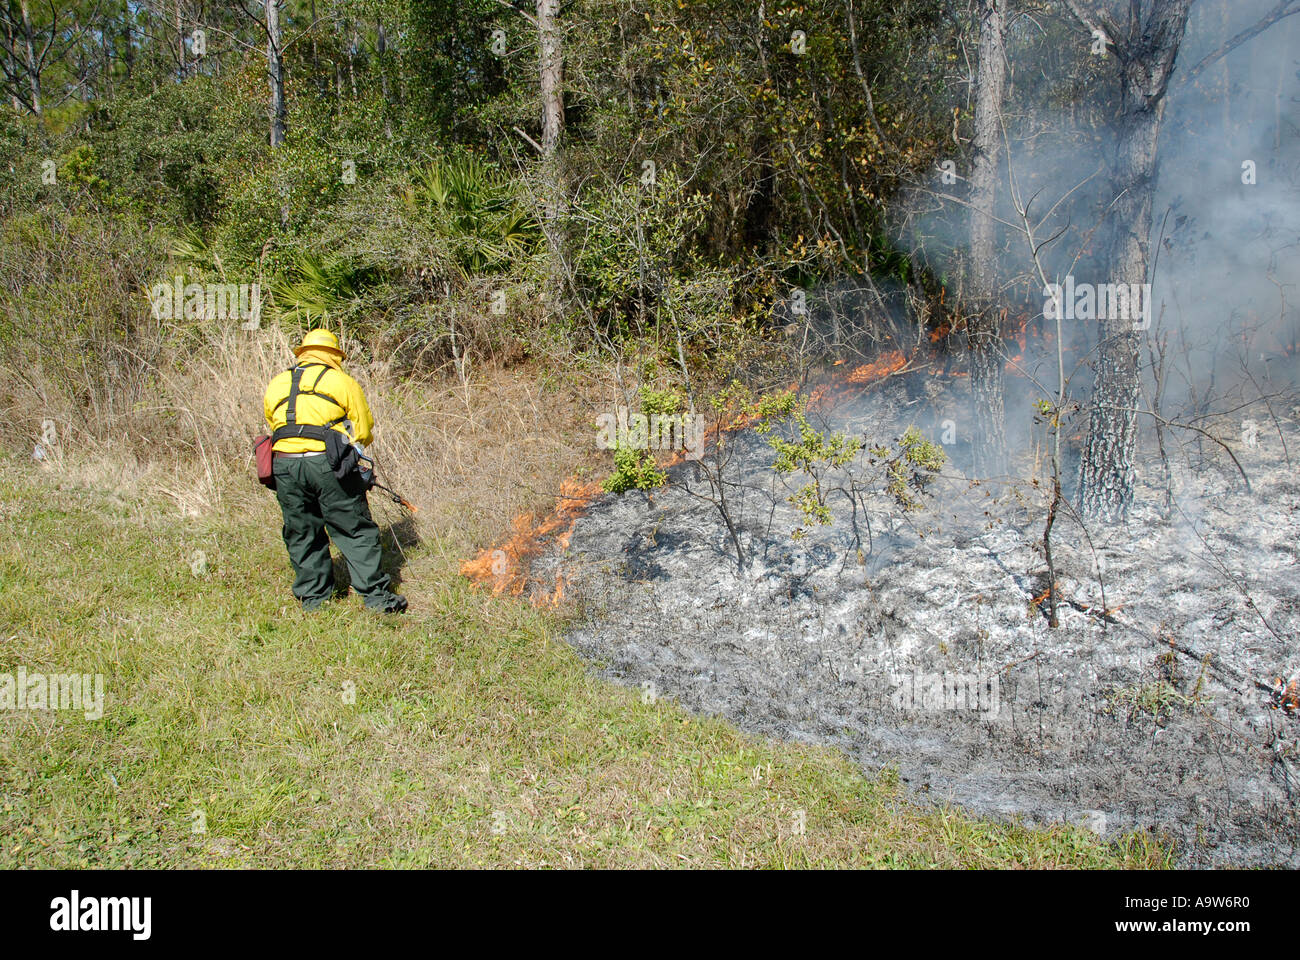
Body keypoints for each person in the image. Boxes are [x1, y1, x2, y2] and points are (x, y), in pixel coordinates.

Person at [262, 329, 407, 613]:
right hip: (326, 463)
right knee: (353, 528)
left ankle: (313, 601)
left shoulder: (277, 383)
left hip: (284, 464)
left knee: (301, 530)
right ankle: (377, 600)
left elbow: (272, 422)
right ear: (334, 355)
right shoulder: (342, 381)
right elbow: (363, 429)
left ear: (302, 353)